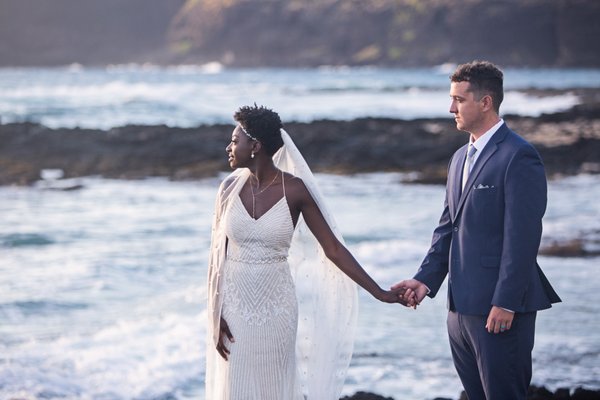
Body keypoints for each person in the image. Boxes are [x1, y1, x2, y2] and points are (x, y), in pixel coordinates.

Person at [206, 104, 405, 400]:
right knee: (236, 388)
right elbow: (216, 260)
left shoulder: (295, 191)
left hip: (277, 310)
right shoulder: (228, 190)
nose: (229, 147)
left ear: (255, 146)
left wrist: (379, 292)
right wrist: (215, 312)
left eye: (235, 141)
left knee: (274, 387)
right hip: (234, 310)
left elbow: (334, 249)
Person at [394, 61, 561, 400]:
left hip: (499, 311)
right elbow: (447, 229)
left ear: (486, 102)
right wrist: (424, 280)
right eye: (451, 98)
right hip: (459, 310)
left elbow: (523, 238)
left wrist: (506, 301)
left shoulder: (519, 156)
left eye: (460, 99)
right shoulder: (459, 158)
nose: (451, 107)